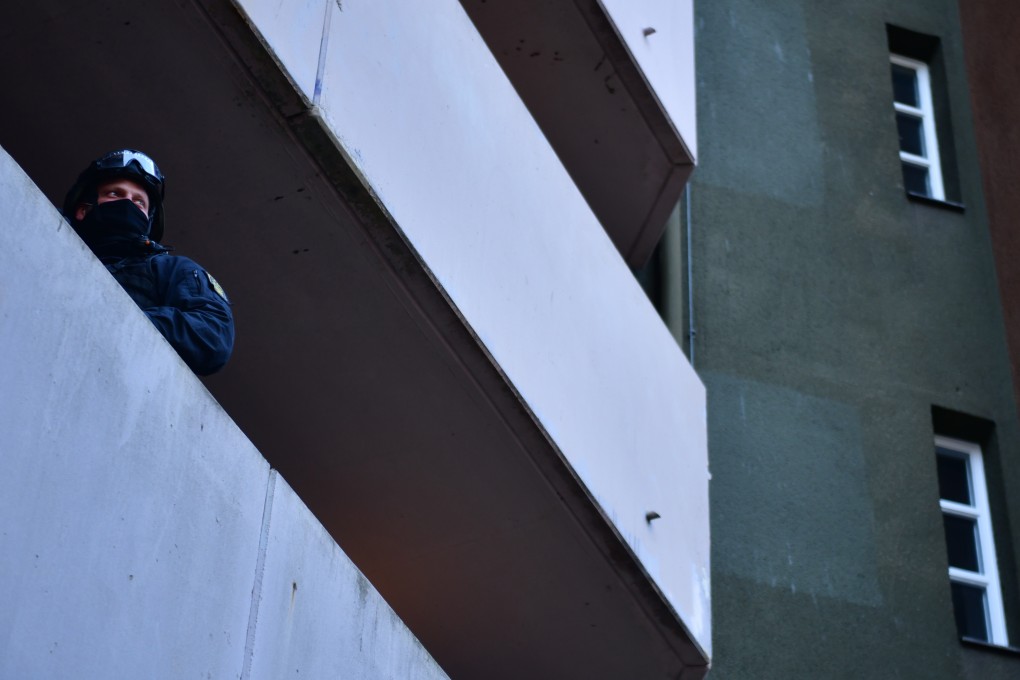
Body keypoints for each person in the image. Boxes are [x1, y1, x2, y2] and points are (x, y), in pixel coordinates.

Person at [62, 149, 234, 375]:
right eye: (115, 194)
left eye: (139, 202)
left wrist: (117, 318)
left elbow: (212, 336)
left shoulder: (173, 270)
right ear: (83, 209)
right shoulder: (50, 237)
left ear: (148, 222)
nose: (128, 204)